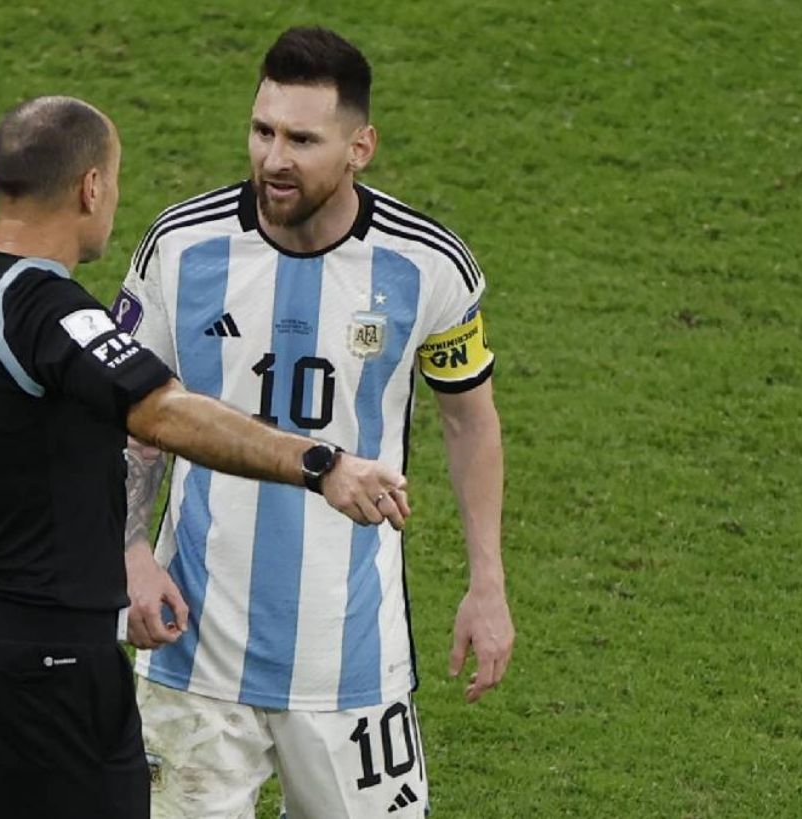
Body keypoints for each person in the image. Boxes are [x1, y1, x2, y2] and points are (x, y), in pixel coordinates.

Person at [0, 95, 412, 819]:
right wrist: (320, 462)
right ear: (91, 187)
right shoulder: (54, 312)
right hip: (51, 665)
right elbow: (163, 411)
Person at [113, 28, 516, 819]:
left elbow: (470, 423)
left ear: (360, 147)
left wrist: (488, 584)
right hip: (193, 649)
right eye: (262, 131)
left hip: (351, 661)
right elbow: (127, 417)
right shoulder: (181, 246)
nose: (274, 158)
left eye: (302, 139)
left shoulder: (429, 266)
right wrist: (126, 550)